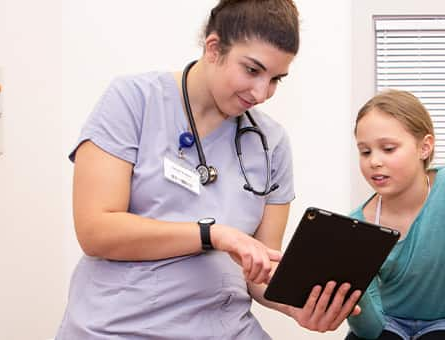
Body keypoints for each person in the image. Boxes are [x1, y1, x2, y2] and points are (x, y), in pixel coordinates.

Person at [56, 1, 361, 338]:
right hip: (118, 326)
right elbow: (96, 231)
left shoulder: (270, 143)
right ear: (213, 48)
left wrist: (296, 306)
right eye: (252, 70)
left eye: (276, 79)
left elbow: (258, 271)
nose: (261, 93)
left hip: (223, 328)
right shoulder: (133, 101)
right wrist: (211, 234)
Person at [345, 90, 445, 340]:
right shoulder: (359, 223)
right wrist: (350, 296)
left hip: (444, 323)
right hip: (387, 322)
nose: (374, 162)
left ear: (424, 147)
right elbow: (369, 330)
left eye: (388, 149)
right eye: (365, 152)